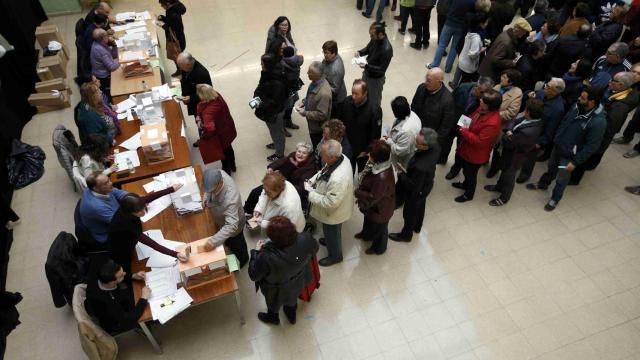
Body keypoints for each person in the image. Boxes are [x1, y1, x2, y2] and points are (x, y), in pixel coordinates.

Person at [527, 86, 607, 211]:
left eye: (583, 98)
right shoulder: (577, 106)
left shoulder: (598, 122)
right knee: (551, 169)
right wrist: (557, 137)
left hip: (570, 156)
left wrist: (575, 162)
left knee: (562, 179)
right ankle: (543, 184)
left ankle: (555, 199)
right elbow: (565, 121)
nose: (579, 99)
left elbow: (592, 146)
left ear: (592, 102)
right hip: (558, 146)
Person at [570, 71, 639, 184]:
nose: (609, 81)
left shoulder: (619, 107)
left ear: (621, 85)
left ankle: (575, 178)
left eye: (613, 80)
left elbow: (609, 128)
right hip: (596, 124)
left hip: (599, 133)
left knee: (588, 155)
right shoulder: (614, 90)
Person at [248, 216, 319, 325]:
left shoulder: (267, 256)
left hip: (276, 288)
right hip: (298, 280)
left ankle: (273, 318)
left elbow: (254, 275)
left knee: (273, 304)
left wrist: (255, 252)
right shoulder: (306, 238)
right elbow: (315, 249)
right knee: (292, 299)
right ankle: (291, 317)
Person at [108, 188, 189, 274]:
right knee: (127, 267)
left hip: (127, 237)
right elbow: (152, 244)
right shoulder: (126, 225)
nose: (143, 212)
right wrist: (175, 254)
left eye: (143, 208)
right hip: (121, 248)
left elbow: (149, 198)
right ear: (131, 211)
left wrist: (171, 189)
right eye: (139, 211)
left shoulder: (130, 205)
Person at [484, 99, 545, 206]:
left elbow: (509, 142)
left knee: (509, 177)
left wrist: (507, 133)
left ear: (528, 112)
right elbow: (514, 121)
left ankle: (504, 198)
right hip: (510, 153)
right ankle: (498, 187)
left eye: (525, 109)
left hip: (514, 157)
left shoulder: (528, 132)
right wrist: (509, 131)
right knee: (504, 171)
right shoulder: (530, 120)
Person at [305, 140, 354, 267]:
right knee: (332, 232)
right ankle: (329, 240)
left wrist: (311, 194)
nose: (320, 155)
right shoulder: (341, 158)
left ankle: (335, 256)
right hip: (338, 206)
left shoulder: (338, 178)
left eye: (323, 154)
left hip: (333, 212)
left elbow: (330, 202)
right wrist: (312, 181)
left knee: (332, 230)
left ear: (332, 156)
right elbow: (324, 171)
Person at [450, 89, 502, 203]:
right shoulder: (482, 109)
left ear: (490, 106)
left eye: (483, 101)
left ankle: (469, 194)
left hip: (475, 155)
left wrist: (462, 130)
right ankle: (464, 185)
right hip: (466, 148)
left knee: (470, 175)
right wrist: (461, 125)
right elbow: (470, 116)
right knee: (466, 172)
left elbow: (479, 141)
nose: (480, 101)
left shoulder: (492, 123)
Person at [389, 128, 440, 242]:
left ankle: (406, 235)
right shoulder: (435, 146)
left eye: (417, 143)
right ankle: (417, 226)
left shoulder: (420, 166)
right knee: (421, 205)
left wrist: (401, 173)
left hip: (416, 190)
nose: (415, 144)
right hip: (427, 184)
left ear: (426, 147)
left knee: (410, 212)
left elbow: (413, 186)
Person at [243, 142, 316, 214]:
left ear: (308, 155)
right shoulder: (293, 156)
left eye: (304, 153)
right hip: (280, 182)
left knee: (264, 198)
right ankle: (247, 211)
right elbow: (282, 161)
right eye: (299, 151)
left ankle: (252, 212)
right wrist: (272, 167)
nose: (300, 154)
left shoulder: (309, 169)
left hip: (290, 190)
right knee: (255, 192)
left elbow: (302, 189)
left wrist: (283, 185)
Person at [519, 77, 567, 182]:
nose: (545, 87)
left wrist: (541, 143)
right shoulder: (541, 93)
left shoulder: (558, 109)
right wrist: (529, 94)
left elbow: (552, 129)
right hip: (526, 125)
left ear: (555, 91)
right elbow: (529, 93)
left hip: (537, 135)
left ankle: (525, 174)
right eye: (546, 84)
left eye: (548, 87)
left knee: (530, 157)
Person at [85, 259, 149, 334]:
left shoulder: (102, 275)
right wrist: (143, 298)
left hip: (119, 301)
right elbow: (126, 320)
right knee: (147, 314)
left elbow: (120, 275)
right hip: (115, 322)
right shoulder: (106, 301)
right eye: (122, 275)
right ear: (111, 282)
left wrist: (133, 275)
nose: (125, 274)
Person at [201, 169, 250, 267]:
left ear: (221, 183)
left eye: (212, 190)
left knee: (237, 244)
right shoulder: (217, 173)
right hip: (221, 220)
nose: (210, 192)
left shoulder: (231, 199)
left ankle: (243, 260)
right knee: (228, 241)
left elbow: (231, 226)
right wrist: (206, 197)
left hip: (234, 226)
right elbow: (209, 191)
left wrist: (212, 241)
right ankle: (228, 244)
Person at [443, 76, 496, 167]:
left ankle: (456, 168)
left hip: (466, 122)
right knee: (447, 140)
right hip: (454, 118)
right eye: (483, 92)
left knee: (461, 145)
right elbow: (450, 100)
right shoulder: (463, 88)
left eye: (487, 93)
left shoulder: (485, 100)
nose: (485, 95)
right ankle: (442, 159)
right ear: (477, 87)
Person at [354, 140, 395, 255]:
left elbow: (373, 197)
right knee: (369, 220)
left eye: (371, 154)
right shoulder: (380, 164)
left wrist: (358, 192)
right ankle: (366, 235)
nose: (368, 156)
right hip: (373, 207)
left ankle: (379, 248)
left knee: (380, 230)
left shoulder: (382, 177)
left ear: (377, 158)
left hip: (381, 208)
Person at [486, 69, 524, 178]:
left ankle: (494, 169)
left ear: (511, 82)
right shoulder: (497, 87)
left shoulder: (517, 93)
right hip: (489, 122)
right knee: (487, 142)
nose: (501, 78)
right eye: (502, 76)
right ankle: (484, 159)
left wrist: (494, 115)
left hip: (501, 125)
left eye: (504, 77)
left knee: (497, 149)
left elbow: (511, 113)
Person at [338, 79, 382, 172]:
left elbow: (375, 135)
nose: (353, 97)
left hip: (362, 150)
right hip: (347, 144)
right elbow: (340, 121)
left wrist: (367, 151)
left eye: (356, 94)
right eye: (352, 92)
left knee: (361, 172)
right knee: (347, 169)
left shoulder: (374, 110)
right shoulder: (346, 102)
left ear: (365, 93)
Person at [195, 84, 237, 173]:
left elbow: (209, 127)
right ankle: (233, 165)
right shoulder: (216, 95)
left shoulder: (209, 111)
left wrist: (204, 133)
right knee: (228, 148)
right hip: (227, 128)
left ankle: (227, 170)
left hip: (219, 135)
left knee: (223, 153)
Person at [410, 68, 456, 149]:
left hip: (427, 142)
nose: (426, 83)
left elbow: (444, 128)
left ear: (439, 81)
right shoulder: (422, 87)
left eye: (429, 81)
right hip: (415, 131)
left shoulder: (448, 101)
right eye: (426, 79)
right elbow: (413, 106)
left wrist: (431, 146)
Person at [78, 172, 129, 245]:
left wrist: (133, 199)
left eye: (109, 180)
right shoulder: (97, 207)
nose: (111, 183)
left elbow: (118, 192)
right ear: (95, 188)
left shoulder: (100, 189)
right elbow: (120, 223)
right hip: (108, 234)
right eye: (106, 183)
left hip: (117, 214)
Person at [254, 53, 288, 161]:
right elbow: (261, 86)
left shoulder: (276, 81)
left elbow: (274, 100)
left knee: (277, 132)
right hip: (270, 110)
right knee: (274, 130)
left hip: (275, 111)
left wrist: (260, 102)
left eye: (262, 63)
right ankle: (276, 144)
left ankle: (279, 154)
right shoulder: (268, 74)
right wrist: (256, 96)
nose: (261, 65)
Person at [427, 0, 476, 73]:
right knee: (454, 48)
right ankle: (448, 68)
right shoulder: (473, 1)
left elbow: (447, 6)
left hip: (450, 22)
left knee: (442, 45)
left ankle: (434, 65)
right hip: (461, 25)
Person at [478, 18, 532, 83]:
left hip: (487, 70)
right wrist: (512, 62)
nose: (524, 34)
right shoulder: (506, 42)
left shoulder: (507, 34)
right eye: (524, 31)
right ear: (517, 29)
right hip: (489, 73)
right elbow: (495, 59)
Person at [356, 22, 393, 111]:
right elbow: (368, 48)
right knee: (364, 92)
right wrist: (359, 52)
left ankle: (374, 117)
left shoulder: (387, 49)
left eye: (372, 35)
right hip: (367, 73)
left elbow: (381, 70)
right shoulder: (375, 39)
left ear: (380, 34)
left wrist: (367, 66)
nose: (370, 37)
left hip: (376, 80)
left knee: (374, 101)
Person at [176, 51, 213, 141]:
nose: (179, 68)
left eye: (181, 66)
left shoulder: (201, 74)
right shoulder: (187, 68)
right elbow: (185, 80)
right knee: (198, 122)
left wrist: (191, 98)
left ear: (188, 64)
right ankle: (202, 138)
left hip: (202, 105)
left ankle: (205, 141)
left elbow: (208, 93)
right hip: (194, 104)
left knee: (202, 123)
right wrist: (184, 95)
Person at [296, 61, 332, 151]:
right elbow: (311, 94)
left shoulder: (324, 93)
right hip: (313, 124)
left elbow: (322, 114)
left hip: (318, 128)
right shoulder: (315, 82)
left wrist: (305, 113)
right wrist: (304, 101)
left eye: (310, 72)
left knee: (318, 146)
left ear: (317, 75)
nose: (307, 73)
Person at [452, 12, 488, 88]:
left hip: (462, 60)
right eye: (486, 22)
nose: (487, 24)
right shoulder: (476, 38)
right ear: (481, 24)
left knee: (462, 80)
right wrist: (481, 50)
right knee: (464, 84)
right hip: (468, 66)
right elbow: (472, 54)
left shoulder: (471, 31)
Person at [385, 96, 422, 171]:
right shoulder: (410, 113)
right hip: (403, 141)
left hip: (402, 158)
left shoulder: (406, 131)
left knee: (398, 172)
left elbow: (400, 151)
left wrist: (389, 140)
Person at [157, 0, 187, 77]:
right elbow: (170, 22)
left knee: (177, 56)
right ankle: (181, 70)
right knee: (177, 56)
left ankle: (183, 71)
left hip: (176, 40)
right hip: (177, 38)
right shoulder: (173, 9)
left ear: (168, 3)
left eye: (162, 4)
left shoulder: (173, 14)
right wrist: (163, 18)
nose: (161, 6)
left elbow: (172, 28)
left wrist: (162, 25)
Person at [89, 28, 119, 103]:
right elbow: (112, 68)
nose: (109, 37)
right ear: (103, 38)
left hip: (104, 69)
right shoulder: (100, 50)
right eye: (107, 36)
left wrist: (114, 44)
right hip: (104, 76)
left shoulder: (97, 43)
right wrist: (121, 60)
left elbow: (113, 55)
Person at [321, 41, 347, 116]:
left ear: (334, 53)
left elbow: (335, 90)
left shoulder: (336, 69)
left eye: (326, 53)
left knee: (334, 119)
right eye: (324, 52)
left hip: (336, 101)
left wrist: (321, 87)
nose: (324, 55)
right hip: (329, 90)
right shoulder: (330, 58)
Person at [281, 46, 304, 132]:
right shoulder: (299, 60)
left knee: (286, 106)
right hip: (294, 86)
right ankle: (287, 122)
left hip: (287, 88)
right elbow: (301, 56)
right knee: (290, 104)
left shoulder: (282, 63)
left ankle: (285, 123)